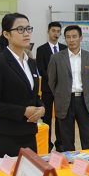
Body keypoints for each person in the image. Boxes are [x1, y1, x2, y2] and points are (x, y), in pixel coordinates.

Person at [0, 13, 45, 157]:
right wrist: (23, 111)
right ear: (6, 34)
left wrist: (42, 108)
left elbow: (33, 95)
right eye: (20, 29)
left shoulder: (31, 62)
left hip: (29, 133)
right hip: (6, 135)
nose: (26, 33)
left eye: (28, 29)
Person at [48, 25, 89, 151]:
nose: (71, 40)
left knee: (88, 138)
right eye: (68, 37)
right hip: (65, 101)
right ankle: (70, 162)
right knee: (66, 139)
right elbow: (52, 81)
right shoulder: (56, 58)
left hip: (83, 101)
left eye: (74, 37)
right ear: (65, 39)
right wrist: (61, 94)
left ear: (81, 38)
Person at [36, 22, 67, 152]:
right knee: (46, 117)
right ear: (48, 32)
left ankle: (60, 143)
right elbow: (41, 69)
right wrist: (54, 80)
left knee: (61, 117)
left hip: (61, 90)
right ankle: (47, 144)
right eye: (53, 31)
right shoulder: (41, 49)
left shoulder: (64, 48)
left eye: (58, 31)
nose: (56, 34)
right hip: (47, 88)